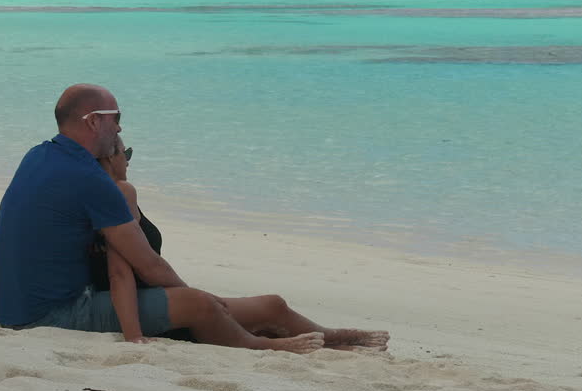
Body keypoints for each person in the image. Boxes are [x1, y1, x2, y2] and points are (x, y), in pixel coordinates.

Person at [0, 83, 327, 354]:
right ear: (93, 121)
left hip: (13, 307)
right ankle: (263, 346)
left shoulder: (38, 155)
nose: (120, 126)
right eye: (116, 116)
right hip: (52, 314)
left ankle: (326, 335)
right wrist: (200, 300)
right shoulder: (90, 179)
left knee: (253, 305)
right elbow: (148, 267)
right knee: (196, 302)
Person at [90, 132, 390, 351]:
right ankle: (328, 338)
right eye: (124, 152)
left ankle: (331, 339)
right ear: (108, 157)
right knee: (270, 308)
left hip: (151, 298)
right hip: (157, 304)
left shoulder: (97, 193)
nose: (128, 160)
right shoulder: (121, 191)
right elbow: (124, 269)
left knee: (271, 309)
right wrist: (135, 334)